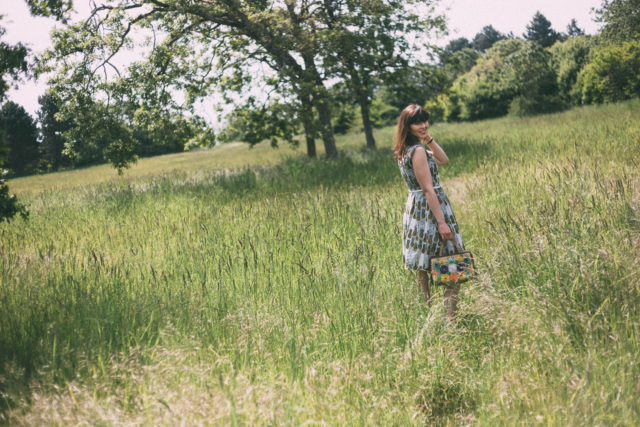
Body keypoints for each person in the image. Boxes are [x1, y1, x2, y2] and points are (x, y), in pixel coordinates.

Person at [395, 104, 466, 324]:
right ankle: (449, 322)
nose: (424, 125)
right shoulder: (416, 152)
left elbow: (443, 159)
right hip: (431, 210)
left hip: (416, 211)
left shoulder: (407, 149)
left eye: (425, 121)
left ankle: (427, 318)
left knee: (423, 266)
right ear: (408, 126)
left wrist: (428, 138)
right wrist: (442, 223)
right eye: (418, 122)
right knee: (452, 262)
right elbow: (428, 188)